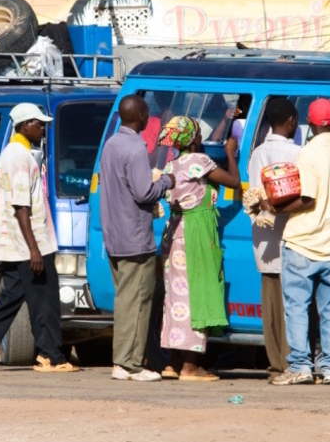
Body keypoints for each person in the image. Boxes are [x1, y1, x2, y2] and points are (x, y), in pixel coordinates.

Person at [0, 103, 78, 373]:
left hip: (17, 244)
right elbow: (21, 206)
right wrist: (34, 249)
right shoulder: (20, 156)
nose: (42, 128)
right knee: (45, 301)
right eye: (38, 123)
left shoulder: (15, 153)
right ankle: (51, 357)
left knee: (11, 300)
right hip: (28, 245)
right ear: (24, 125)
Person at [271, 98, 330, 386]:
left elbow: (306, 197)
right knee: (329, 308)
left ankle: (300, 366)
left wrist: (275, 208)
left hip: (302, 243)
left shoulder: (307, 153)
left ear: (309, 123)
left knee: (297, 307)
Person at [157, 116, 241, 381]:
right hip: (196, 236)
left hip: (174, 235)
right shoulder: (200, 162)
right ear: (193, 139)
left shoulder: (171, 164)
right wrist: (230, 153)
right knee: (197, 298)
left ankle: (171, 363)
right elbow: (233, 182)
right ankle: (190, 366)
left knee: (175, 300)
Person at [99, 95, 176, 382]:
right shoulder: (135, 148)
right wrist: (167, 181)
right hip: (134, 236)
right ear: (141, 116)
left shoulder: (111, 144)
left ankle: (125, 361)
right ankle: (128, 363)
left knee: (126, 299)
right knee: (138, 300)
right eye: (146, 114)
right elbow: (144, 192)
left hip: (114, 234)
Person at [246, 98, 300, 380]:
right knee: (293, 305)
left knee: (271, 306)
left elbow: (253, 195)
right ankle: (293, 362)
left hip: (265, 239)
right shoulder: (299, 153)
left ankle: (277, 363)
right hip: (294, 236)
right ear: (291, 121)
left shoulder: (257, 154)